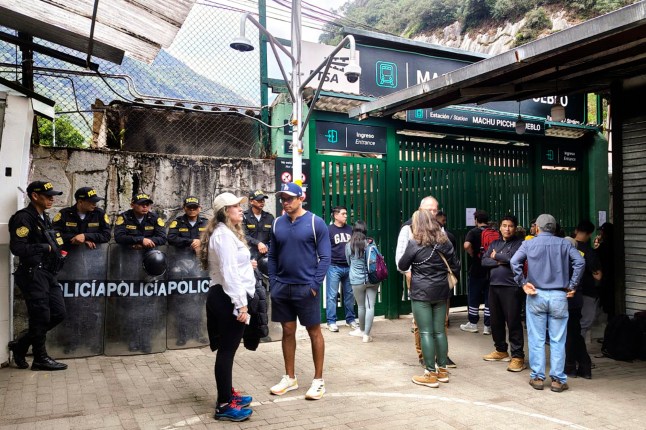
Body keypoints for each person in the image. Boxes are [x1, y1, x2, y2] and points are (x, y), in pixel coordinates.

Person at [268, 182, 331, 400]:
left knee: (314, 331)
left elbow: (325, 257)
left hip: (306, 287)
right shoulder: (277, 223)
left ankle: (318, 380)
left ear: (301, 198)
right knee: (287, 330)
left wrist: (314, 285)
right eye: (282, 199)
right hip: (282, 287)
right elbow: (273, 256)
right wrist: (274, 283)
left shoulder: (315, 222)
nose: (285, 202)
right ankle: (290, 378)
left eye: (289, 198)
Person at [511, 214, 585, 393]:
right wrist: (572, 285)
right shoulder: (565, 244)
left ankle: (537, 378)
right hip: (559, 295)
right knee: (558, 339)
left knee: (536, 338)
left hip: (536, 294)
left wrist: (523, 283)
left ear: (537, 227)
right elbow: (580, 262)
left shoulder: (529, 243)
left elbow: (514, 261)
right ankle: (558, 380)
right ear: (555, 228)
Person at [199, 192, 254, 422]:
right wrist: (242, 306)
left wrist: (247, 265)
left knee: (227, 350)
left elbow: (232, 266)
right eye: (236, 206)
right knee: (226, 351)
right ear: (225, 211)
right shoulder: (223, 235)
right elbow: (229, 273)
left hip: (225, 295)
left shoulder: (226, 233)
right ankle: (223, 405)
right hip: (227, 298)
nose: (241, 209)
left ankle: (228, 394)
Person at [8, 181, 68, 371]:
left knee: (58, 313)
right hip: (32, 273)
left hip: (47, 273)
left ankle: (21, 345)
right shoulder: (23, 218)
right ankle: (40, 358)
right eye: (48, 195)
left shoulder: (44, 217)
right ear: (35, 196)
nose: (52, 199)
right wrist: (44, 247)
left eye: (53, 196)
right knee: (40, 316)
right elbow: (17, 248)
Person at [398, 210, 460, 388]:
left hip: (421, 293)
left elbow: (402, 264)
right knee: (439, 331)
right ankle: (443, 371)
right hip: (441, 291)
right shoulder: (445, 241)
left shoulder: (414, 243)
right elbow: (456, 265)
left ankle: (430, 373)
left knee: (425, 332)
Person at [52, 186, 111, 355]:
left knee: (91, 306)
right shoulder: (64, 214)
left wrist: (86, 236)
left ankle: (91, 342)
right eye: (91, 201)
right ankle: (70, 342)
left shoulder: (99, 214)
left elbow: (106, 235)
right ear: (80, 201)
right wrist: (74, 239)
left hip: (93, 269)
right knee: (71, 306)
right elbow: (54, 235)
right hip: (69, 269)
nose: (94, 204)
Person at [114, 193, 167, 353]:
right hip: (129, 268)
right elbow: (119, 237)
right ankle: (132, 339)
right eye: (142, 204)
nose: (145, 207)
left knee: (148, 305)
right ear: (132, 205)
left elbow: (162, 238)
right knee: (131, 305)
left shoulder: (154, 218)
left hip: (149, 269)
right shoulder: (124, 217)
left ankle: (145, 340)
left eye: (147, 204)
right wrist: (139, 239)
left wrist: (145, 243)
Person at [481, 214, 526, 372]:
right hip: (494, 286)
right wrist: (499, 260)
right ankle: (501, 350)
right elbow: (484, 261)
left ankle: (518, 357)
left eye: (511, 226)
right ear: (500, 227)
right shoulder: (495, 243)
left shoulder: (520, 243)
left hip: (511, 287)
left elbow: (513, 259)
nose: (507, 229)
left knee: (513, 322)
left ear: (515, 228)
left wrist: (497, 256)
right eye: (504, 226)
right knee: (496, 321)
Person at [167, 196, 209, 346]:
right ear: (184, 208)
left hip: (200, 265)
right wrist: (190, 242)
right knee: (181, 300)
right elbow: (171, 238)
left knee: (199, 301)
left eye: (194, 207)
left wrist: (201, 242)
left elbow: (214, 239)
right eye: (189, 207)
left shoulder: (206, 223)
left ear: (199, 208)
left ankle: (198, 333)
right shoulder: (177, 222)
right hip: (181, 266)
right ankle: (182, 335)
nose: (192, 210)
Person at [563, 235, 593, 380]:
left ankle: (571, 366)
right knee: (574, 333)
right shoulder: (578, 259)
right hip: (576, 300)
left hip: (568, 300)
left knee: (569, 334)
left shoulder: (566, 262)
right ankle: (584, 366)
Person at [345, 220, 379, 342]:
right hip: (372, 279)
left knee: (361, 306)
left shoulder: (349, 245)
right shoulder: (371, 243)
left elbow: (348, 262)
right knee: (370, 306)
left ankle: (362, 330)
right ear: (365, 230)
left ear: (353, 230)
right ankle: (366, 336)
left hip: (357, 279)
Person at [325, 206, 357, 333]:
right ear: (335, 215)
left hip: (348, 266)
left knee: (349, 294)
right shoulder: (329, 230)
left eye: (346, 213)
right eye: (343, 214)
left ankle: (350, 319)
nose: (346, 216)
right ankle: (331, 321)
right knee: (332, 295)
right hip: (334, 266)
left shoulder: (350, 229)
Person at [461, 210, 492, 334]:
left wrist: (472, 253)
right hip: (491, 269)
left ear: (476, 220)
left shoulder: (473, 232)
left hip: (477, 268)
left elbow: (466, 245)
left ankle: (473, 324)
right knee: (489, 297)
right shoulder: (493, 232)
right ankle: (487, 326)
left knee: (474, 296)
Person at [576, 220, 603, 342]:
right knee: (584, 323)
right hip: (586, 292)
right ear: (590, 234)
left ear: (576, 230)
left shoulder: (566, 247)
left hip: (567, 292)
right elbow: (598, 276)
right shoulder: (588, 251)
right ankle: (578, 351)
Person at [243, 190, 274, 260]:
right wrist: (258, 243)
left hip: (266, 253)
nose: (262, 202)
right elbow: (244, 236)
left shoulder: (269, 217)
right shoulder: (244, 216)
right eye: (259, 200)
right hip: (249, 253)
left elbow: (272, 237)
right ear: (251, 201)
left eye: (263, 200)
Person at [596, 223, 615, 318]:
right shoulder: (616, 243)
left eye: (602, 232)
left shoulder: (605, 246)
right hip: (612, 277)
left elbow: (595, 256)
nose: (600, 234)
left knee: (608, 303)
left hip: (607, 278)